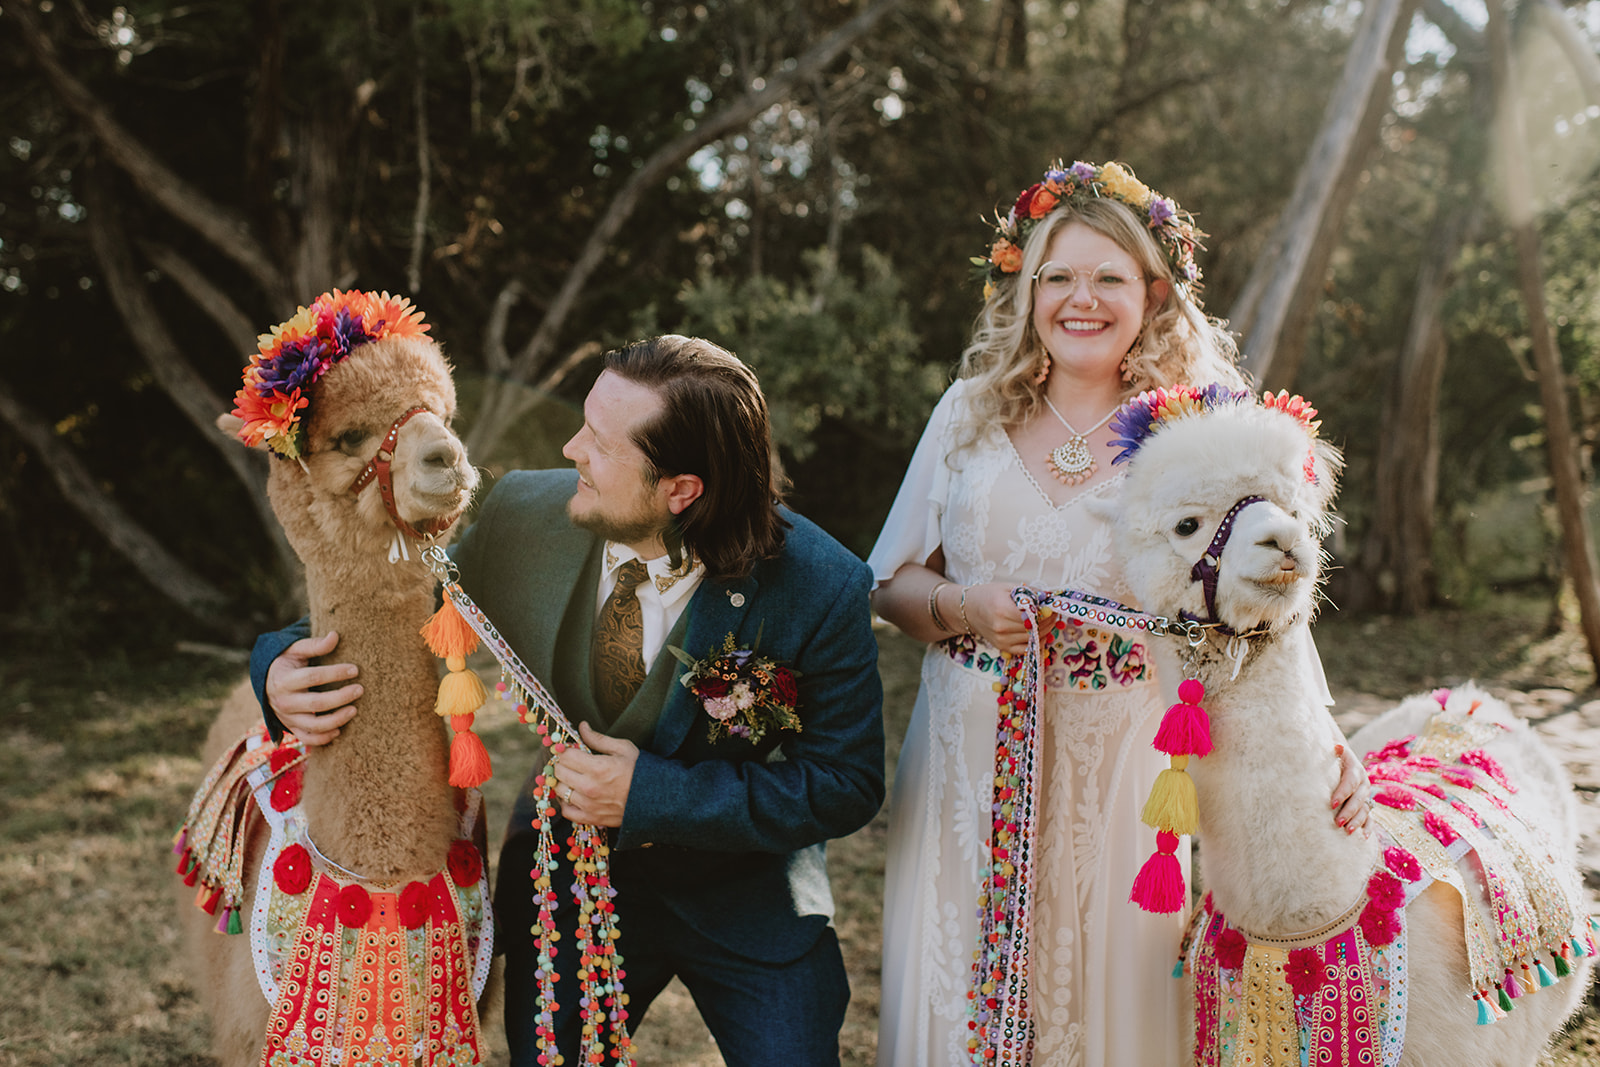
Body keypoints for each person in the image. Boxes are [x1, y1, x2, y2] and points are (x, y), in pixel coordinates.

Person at [252, 335, 886, 1066]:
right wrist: (274, 665)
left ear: (681, 489)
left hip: (748, 894)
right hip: (569, 888)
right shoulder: (524, 512)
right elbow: (386, 608)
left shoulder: (823, 585)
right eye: (584, 421)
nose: (571, 447)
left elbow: (847, 782)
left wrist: (654, 793)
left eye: (601, 444)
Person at [867, 161, 1369, 1065]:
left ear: (1154, 290)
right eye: (1057, 277)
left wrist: (1327, 745)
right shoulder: (967, 417)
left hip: (1130, 765)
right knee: (960, 993)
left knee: (1114, 1005)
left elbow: (1268, 613)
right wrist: (960, 606)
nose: (1080, 298)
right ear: (1026, 289)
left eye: (1108, 277)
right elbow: (890, 584)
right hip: (968, 754)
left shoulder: (1194, 434)